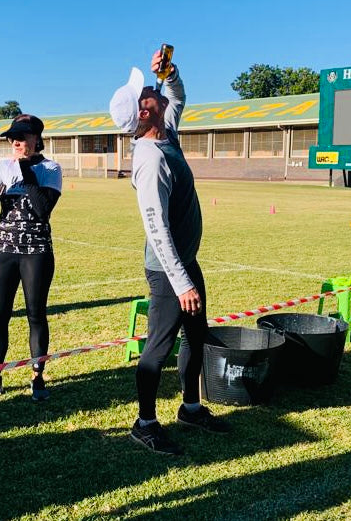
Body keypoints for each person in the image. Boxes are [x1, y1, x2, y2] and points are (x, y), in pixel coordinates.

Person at [110, 51, 229, 455]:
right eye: (144, 91)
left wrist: (170, 73)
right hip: (166, 271)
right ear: (143, 114)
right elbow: (156, 229)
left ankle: (190, 409)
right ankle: (144, 424)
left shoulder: (165, 133)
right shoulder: (150, 159)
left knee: (196, 336)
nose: (150, 88)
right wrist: (180, 283)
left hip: (184, 261)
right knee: (158, 348)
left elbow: (176, 97)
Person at [0, 114, 62, 402]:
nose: (16, 142)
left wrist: (26, 168)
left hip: (36, 254)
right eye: (13, 138)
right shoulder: (2, 167)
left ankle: (37, 378)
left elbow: (41, 209)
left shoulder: (51, 168)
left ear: (37, 139)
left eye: (23, 137)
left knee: (36, 315)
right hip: (3, 251)